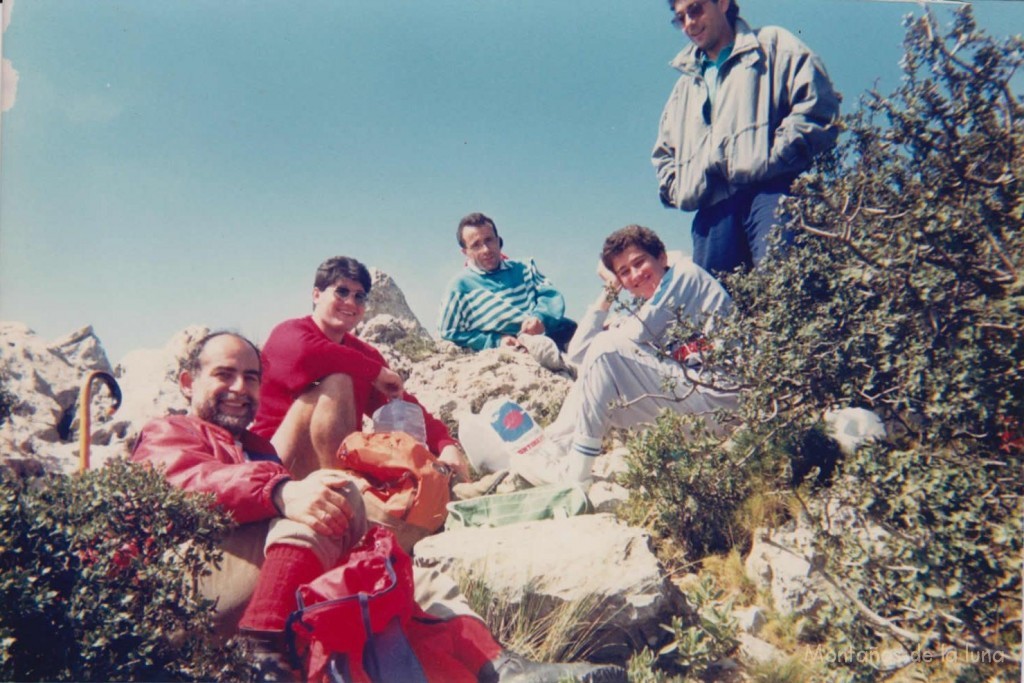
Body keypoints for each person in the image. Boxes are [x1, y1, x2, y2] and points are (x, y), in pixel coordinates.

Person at [134, 331, 627, 682]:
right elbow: (188, 482)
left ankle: (500, 667)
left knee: (397, 563)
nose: (241, 388)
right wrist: (282, 491)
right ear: (186, 383)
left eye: (250, 377)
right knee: (330, 494)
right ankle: (259, 655)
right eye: (224, 375)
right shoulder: (167, 432)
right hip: (187, 592)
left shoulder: (258, 449)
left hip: (247, 583)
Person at [652, 0, 840, 277]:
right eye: (680, 18)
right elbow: (663, 156)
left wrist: (774, 159)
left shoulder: (773, 45)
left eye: (695, 9)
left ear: (723, 3)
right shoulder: (683, 88)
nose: (689, 23)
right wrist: (684, 190)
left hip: (772, 193)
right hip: (712, 214)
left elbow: (817, 106)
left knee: (784, 293)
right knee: (719, 312)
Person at [251, 256, 471, 485]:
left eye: (359, 296)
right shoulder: (289, 334)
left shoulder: (364, 356)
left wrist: (445, 443)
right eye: (342, 292)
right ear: (316, 295)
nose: (350, 302)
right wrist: (375, 372)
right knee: (337, 381)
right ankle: (349, 494)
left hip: (331, 465)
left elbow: (398, 402)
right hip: (274, 465)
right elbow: (308, 354)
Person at [546, 225, 740, 481]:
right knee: (594, 375)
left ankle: (574, 474)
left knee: (605, 349)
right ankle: (552, 451)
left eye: (639, 263)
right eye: (624, 272)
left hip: (721, 404)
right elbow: (579, 353)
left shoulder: (684, 276)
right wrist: (611, 289)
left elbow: (609, 347)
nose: (636, 275)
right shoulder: (649, 306)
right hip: (694, 403)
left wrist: (614, 329)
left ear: (661, 257)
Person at [438, 212, 577, 353]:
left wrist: (540, 318)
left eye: (489, 240)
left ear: (498, 241)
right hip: (520, 348)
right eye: (476, 245)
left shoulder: (525, 268)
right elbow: (449, 332)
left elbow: (551, 296)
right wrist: (496, 340)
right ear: (465, 252)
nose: (486, 249)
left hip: (555, 334)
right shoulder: (459, 287)